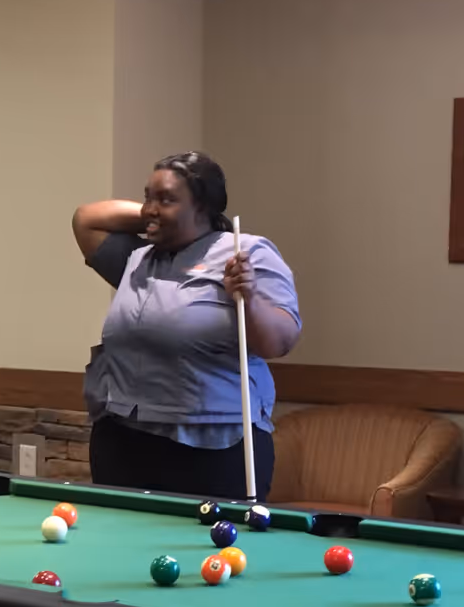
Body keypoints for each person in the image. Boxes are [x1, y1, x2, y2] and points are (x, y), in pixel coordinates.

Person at [71, 151, 301, 498]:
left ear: (203, 207)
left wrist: (249, 297)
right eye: (148, 195)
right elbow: (86, 218)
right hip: (123, 441)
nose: (150, 207)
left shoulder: (246, 252)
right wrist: (158, 214)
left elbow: (279, 342)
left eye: (167, 198)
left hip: (212, 448)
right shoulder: (137, 259)